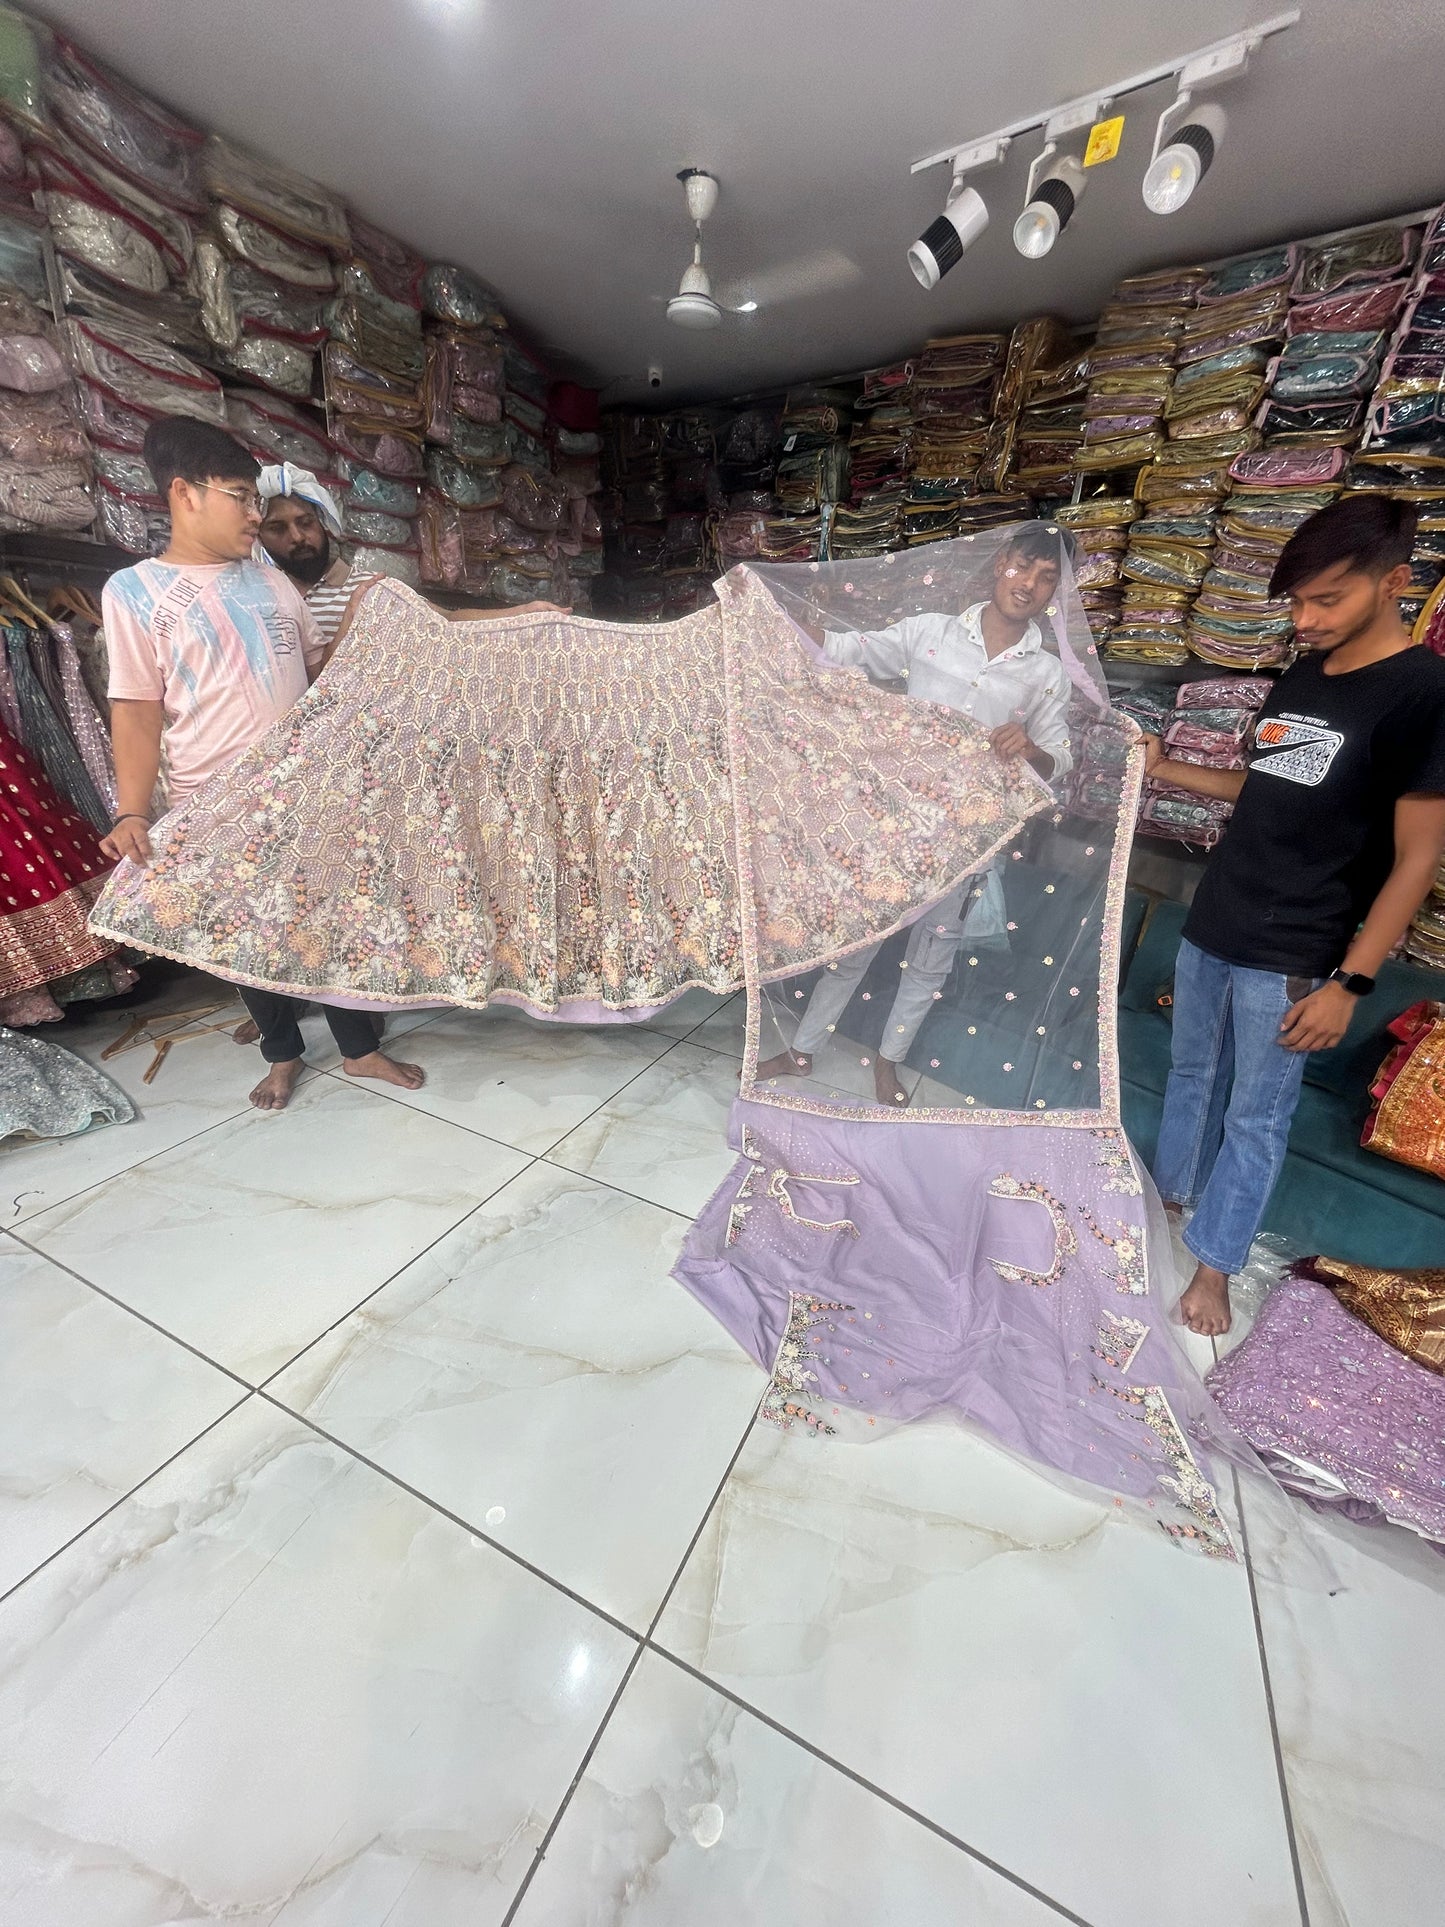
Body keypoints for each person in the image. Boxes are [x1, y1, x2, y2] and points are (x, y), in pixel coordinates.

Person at [1146, 496, 1445, 1337]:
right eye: (1296, 602)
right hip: (1215, 919)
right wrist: (1169, 770)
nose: (1304, 619)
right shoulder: (1304, 671)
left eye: (1326, 599)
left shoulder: (1422, 693)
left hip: (1292, 947)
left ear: (1394, 582)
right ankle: (1164, 1203)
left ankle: (1214, 1267)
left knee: (1255, 1112)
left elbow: (1418, 856)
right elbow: (1266, 789)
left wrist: (1350, 981)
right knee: (1191, 1077)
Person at [98, 416, 426, 1113]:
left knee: (328, 918)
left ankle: (359, 1046)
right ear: (185, 494)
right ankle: (281, 1054)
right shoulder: (136, 592)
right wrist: (133, 808)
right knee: (244, 935)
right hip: (211, 799)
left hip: (306, 790)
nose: (256, 515)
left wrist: (371, 621)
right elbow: (135, 707)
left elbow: (317, 680)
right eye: (242, 497)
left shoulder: (274, 585)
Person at [757, 520, 1074, 1106]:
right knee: (854, 945)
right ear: (1000, 560)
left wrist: (1032, 749)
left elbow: (1063, 756)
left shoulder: (1045, 674)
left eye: (1046, 577)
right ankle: (803, 1050)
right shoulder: (931, 633)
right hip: (894, 832)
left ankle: (888, 1062)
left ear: (1056, 593)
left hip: (966, 841)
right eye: (1022, 566)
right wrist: (785, 622)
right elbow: (849, 651)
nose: (1028, 583)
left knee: (930, 960)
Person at [256, 463, 360, 648]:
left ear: (322, 523)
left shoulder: (367, 592)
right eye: (278, 528)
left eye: (305, 523)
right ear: (260, 537)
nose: (297, 537)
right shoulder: (261, 600)